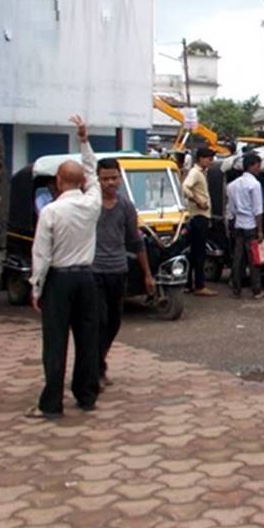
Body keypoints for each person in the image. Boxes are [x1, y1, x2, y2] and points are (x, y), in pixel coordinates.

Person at [27, 114, 103, 419]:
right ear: (81, 182)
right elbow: (93, 172)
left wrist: (37, 287)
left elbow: (41, 255)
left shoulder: (51, 211)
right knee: (88, 340)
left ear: (58, 182)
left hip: (59, 280)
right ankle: (86, 395)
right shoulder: (92, 203)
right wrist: (84, 141)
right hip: (86, 278)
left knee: (55, 343)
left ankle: (51, 403)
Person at [92, 157, 155, 389]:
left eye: (114, 178)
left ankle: (99, 362)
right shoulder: (89, 205)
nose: (110, 182)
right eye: (105, 178)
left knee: (113, 322)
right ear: (97, 180)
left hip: (118, 269)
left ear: (120, 178)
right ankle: (95, 370)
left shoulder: (126, 206)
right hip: (93, 270)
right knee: (98, 320)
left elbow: (136, 240)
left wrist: (147, 274)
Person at [226, 151, 264, 298]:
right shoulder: (255, 185)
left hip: (238, 224)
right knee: (254, 259)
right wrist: (260, 230)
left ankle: (236, 288)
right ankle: (256, 290)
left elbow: (231, 208)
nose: (259, 169)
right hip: (250, 225)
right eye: (258, 166)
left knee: (238, 258)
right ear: (251, 166)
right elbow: (258, 210)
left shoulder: (232, 185)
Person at [181, 146, 218, 296]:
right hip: (198, 216)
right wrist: (197, 201)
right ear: (201, 159)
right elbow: (185, 188)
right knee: (198, 252)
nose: (211, 162)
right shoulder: (195, 173)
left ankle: (189, 284)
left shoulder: (202, 173)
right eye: (209, 159)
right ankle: (199, 285)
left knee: (194, 252)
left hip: (199, 216)